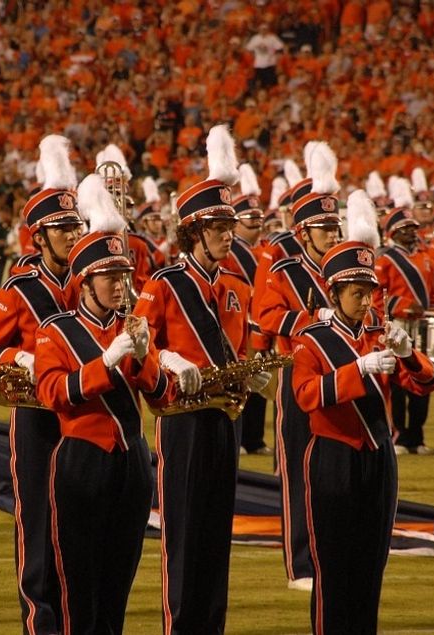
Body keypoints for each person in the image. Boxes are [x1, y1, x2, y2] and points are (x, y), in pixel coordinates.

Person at [134, 125, 267, 632]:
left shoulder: (236, 281)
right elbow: (139, 341)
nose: (227, 235)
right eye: (216, 228)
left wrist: (253, 373)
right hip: (183, 418)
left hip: (225, 416)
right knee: (184, 531)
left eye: (229, 226)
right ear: (193, 231)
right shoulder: (164, 281)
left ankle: (211, 623)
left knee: (217, 531)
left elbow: (245, 340)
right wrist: (169, 360)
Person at [292, 189, 434, 634]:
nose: (366, 301)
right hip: (332, 458)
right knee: (334, 569)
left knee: (371, 566)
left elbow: (426, 382)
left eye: (370, 292)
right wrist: (358, 369)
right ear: (334, 292)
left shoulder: (381, 333)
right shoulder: (311, 338)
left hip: (378, 458)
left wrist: (410, 354)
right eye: (357, 292)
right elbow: (305, 394)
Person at [35, 174, 168, 633]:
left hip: (132, 461)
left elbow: (160, 397)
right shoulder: (57, 330)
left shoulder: (130, 326)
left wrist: (148, 357)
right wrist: (104, 365)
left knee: (118, 580)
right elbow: (51, 392)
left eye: (125, 276)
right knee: (78, 581)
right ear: (86, 281)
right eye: (111, 277)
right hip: (81, 458)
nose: (120, 285)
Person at [0, 135, 83, 635]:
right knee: (37, 519)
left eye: (73, 225)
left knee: (81, 519)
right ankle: (40, 620)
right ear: (38, 236)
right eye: (60, 228)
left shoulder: (87, 281)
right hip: (37, 417)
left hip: (84, 414)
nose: (70, 234)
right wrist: (21, 355)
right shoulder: (18, 287)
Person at [255, 144, 341, 592]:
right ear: (304, 232)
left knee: (336, 470)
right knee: (297, 472)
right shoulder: (284, 269)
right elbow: (265, 316)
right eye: (323, 227)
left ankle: (330, 555)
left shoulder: (346, 267)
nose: (332, 233)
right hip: (299, 372)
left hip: (340, 378)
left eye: (335, 225)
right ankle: (300, 564)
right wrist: (311, 319)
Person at [375, 202, 434, 455]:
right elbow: (376, 296)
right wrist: (403, 305)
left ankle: (417, 436)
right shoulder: (385, 259)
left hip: (421, 326)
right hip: (398, 325)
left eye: (413, 227)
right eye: (405, 228)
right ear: (392, 233)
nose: (411, 232)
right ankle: (399, 435)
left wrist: (431, 310)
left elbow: (432, 293)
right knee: (399, 382)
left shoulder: (425, 257)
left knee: (424, 375)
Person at [224, 162, 272, 457]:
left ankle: (254, 439)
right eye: (249, 220)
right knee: (237, 383)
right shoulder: (228, 249)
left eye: (258, 220)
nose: (256, 224)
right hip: (238, 322)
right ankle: (240, 437)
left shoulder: (264, 249)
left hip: (260, 324)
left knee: (260, 384)